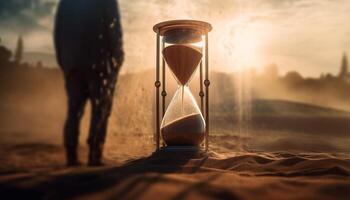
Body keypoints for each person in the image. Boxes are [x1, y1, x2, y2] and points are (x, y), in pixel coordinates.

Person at [54, 0, 124, 166]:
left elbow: (58, 33)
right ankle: (95, 155)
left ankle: (71, 156)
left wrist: (64, 62)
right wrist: (118, 56)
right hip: (98, 60)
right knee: (101, 108)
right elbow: (113, 27)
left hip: (73, 63)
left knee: (74, 110)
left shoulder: (66, 3)